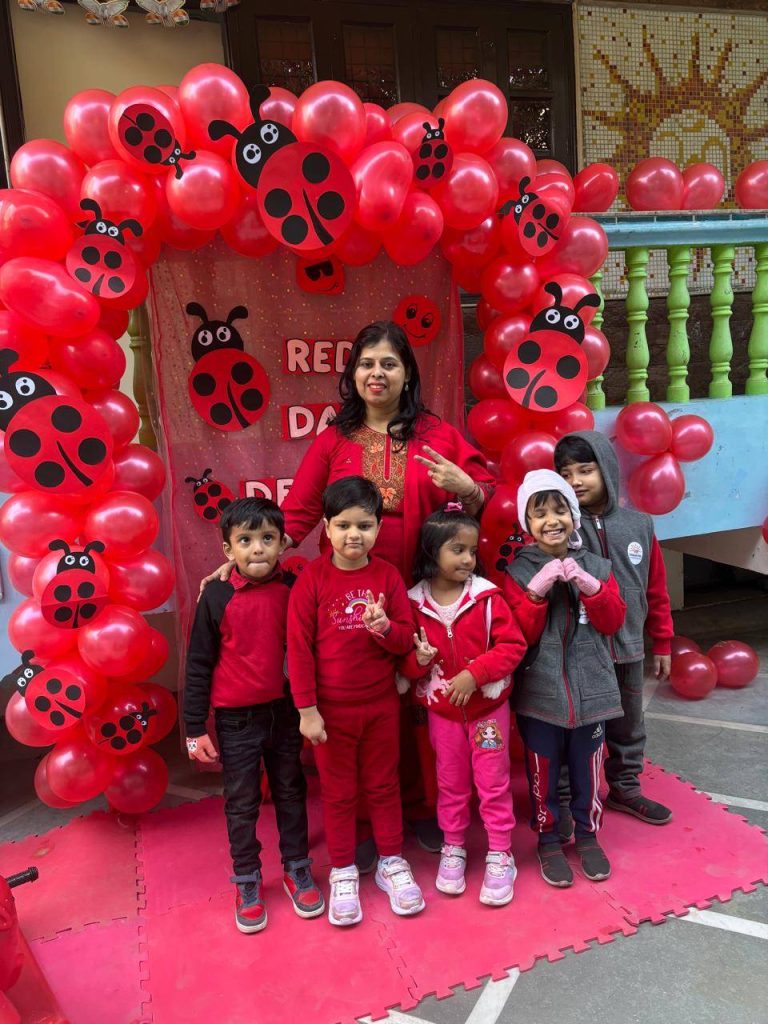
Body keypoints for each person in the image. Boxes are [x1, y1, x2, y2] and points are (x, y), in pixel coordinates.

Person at [201, 319, 495, 859]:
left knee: (418, 698)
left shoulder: (437, 435)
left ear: (407, 374)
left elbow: (484, 501)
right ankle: (359, 821)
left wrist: (470, 488)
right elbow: (298, 513)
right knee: (359, 700)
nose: (376, 373)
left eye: (389, 363)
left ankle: (423, 808)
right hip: (349, 597)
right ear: (353, 374)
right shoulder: (334, 439)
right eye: (366, 363)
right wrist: (249, 561)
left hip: (424, 591)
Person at [287, 476, 424, 927]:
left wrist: (384, 628)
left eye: (364, 526)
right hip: (330, 713)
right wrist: (307, 711)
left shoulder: (387, 576)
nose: (353, 535)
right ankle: (343, 869)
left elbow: (405, 640)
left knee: (384, 786)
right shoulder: (312, 579)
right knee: (339, 794)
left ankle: (391, 861)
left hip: (381, 706)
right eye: (343, 525)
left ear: (378, 528)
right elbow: (298, 650)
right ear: (326, 527)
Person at [184, 497, 324, 934]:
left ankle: (297, 867)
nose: (257, 548)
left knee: (291, 791)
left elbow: (310, 650)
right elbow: (198, 664)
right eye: (245, 540)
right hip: (235, 720)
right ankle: (247, 879)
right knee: (241, 802)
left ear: (282, 543)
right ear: (228, 550)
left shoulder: (294, 589)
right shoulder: (216, 596)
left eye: (267, 538)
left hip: (285, 712)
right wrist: (194, 728)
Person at [504, 470, 626, 888]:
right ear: (527, 523)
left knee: (588, 772)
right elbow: (519, 636)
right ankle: (549, 839)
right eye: (539, 514)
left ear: (573, 515)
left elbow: (613, 622)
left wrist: (593, 588)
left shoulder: (597, 565)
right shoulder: (518, 572)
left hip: (592, 691)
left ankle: (587, 835)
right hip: (540, 695)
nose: (551, 521)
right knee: (542, 772)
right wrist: (534, 595)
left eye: (559, 510)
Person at [399, 504, 526, 906]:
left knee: (493, 782)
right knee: (450, 783)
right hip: (442, 715)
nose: (468, 559)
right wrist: (416, 662)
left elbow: (513, 646)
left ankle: (500, 852)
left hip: (488, 713)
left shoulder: (487, 598)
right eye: (457, 550)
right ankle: (453, 845)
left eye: (471, 551)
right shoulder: (412, 604)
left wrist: (476, 674)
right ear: (431, 550)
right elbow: (403, 661)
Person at [555, 430, 674, 828]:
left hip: (629, 648)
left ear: (606, 469)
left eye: (585, 470)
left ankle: (625, 788)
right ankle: (565, 799)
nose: (575, 481)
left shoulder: (639, 525)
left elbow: (655, 589)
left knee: (628, 725)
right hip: (582, 652)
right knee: (577, 726)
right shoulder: (563, 528)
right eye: (565, 474)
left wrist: (663, 642)